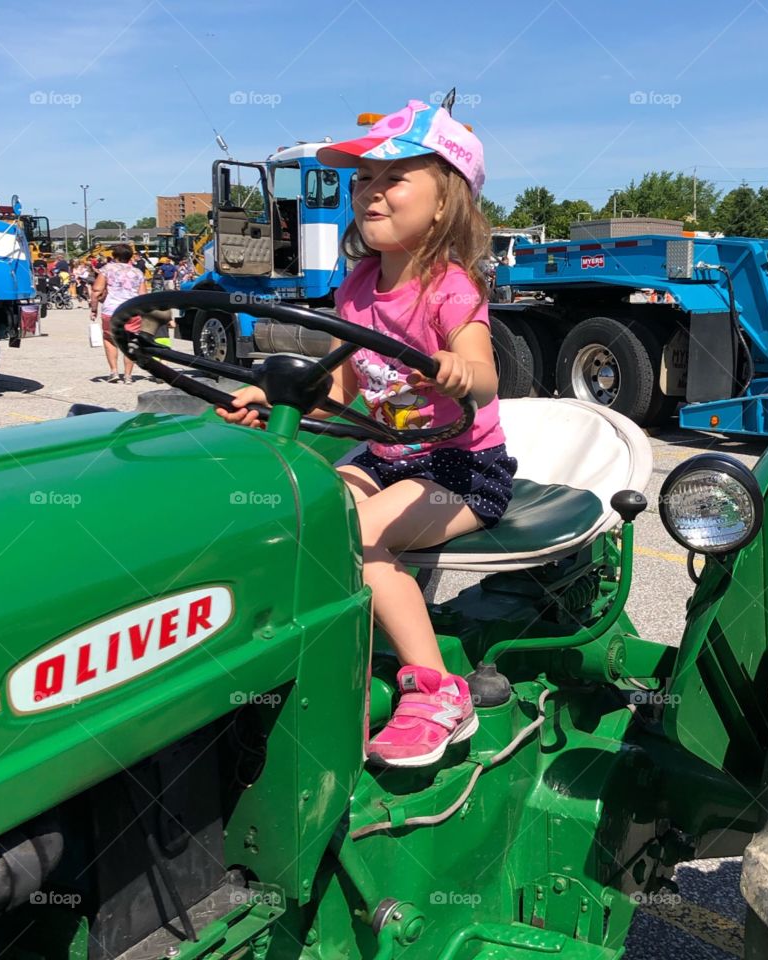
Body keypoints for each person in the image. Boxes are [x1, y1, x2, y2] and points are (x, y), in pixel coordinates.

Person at [215, 99, 514, 768]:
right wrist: (274, 399)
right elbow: (348, 393)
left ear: (445, 203)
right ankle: (314, 648)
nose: (371, 191)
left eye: (394, 177)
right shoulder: (355, 289)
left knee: (359, 535)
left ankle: (439, 691)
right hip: (387, 459)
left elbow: (489, 378)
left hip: (462, 470)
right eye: (362, 180)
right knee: (307, 512)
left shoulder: (449, 288)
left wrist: (456, 372)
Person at [90, 243, 146, 383]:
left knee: (109, 339)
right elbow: (143, 295)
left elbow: (96, 291)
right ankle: (128, 375)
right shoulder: (138, 273)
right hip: (132, 311)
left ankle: (114, 371)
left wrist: (94, 309)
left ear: (114, 256)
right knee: (131, 341)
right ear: (130, 256)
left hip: (111, 309)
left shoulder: (107, 269)